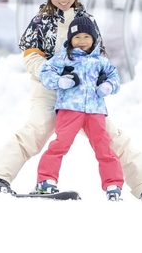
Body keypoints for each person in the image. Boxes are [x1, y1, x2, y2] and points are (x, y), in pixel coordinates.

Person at [0, 0, 142, 203]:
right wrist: (54, 75)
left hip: (81, 96)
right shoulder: (41, 22)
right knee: (37, 130)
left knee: (111, 137)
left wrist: (102, 83)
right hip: (49, 90)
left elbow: (100, 58)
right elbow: (31, 56)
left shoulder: (87, 21)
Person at [36, 16, 124, 201]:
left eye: (86, 37)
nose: (82, 41)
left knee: (104, 147)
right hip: (70, 109)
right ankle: (46, 180)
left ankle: (113, 184)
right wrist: (60, 81)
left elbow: (114, 76)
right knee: (61, 143)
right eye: (77, 37)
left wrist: (108, 85)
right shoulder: (64, 58)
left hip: (95, 111)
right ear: (70, 39)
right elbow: (46, 71)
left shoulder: (101, 61)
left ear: (94, 39)